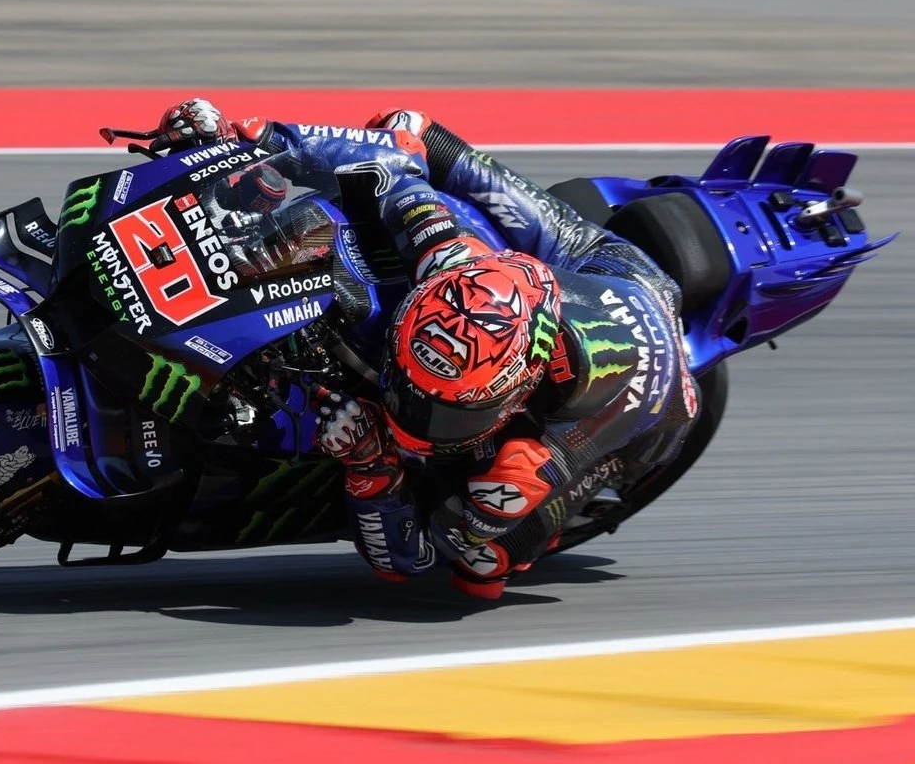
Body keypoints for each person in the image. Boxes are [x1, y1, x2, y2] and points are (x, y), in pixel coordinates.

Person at [149, 98, 701, 598]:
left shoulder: (537, 455)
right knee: (411, 126)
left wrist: (371, 464)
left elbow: (407, 561)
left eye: (446, 409)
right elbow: (391, 155)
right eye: (407, 381)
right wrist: (252, 137)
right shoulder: (444, 254)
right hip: (573, 279)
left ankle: (546, 520)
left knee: (480, 564)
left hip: (644, 374)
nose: (409, 410)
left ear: (516, 392)